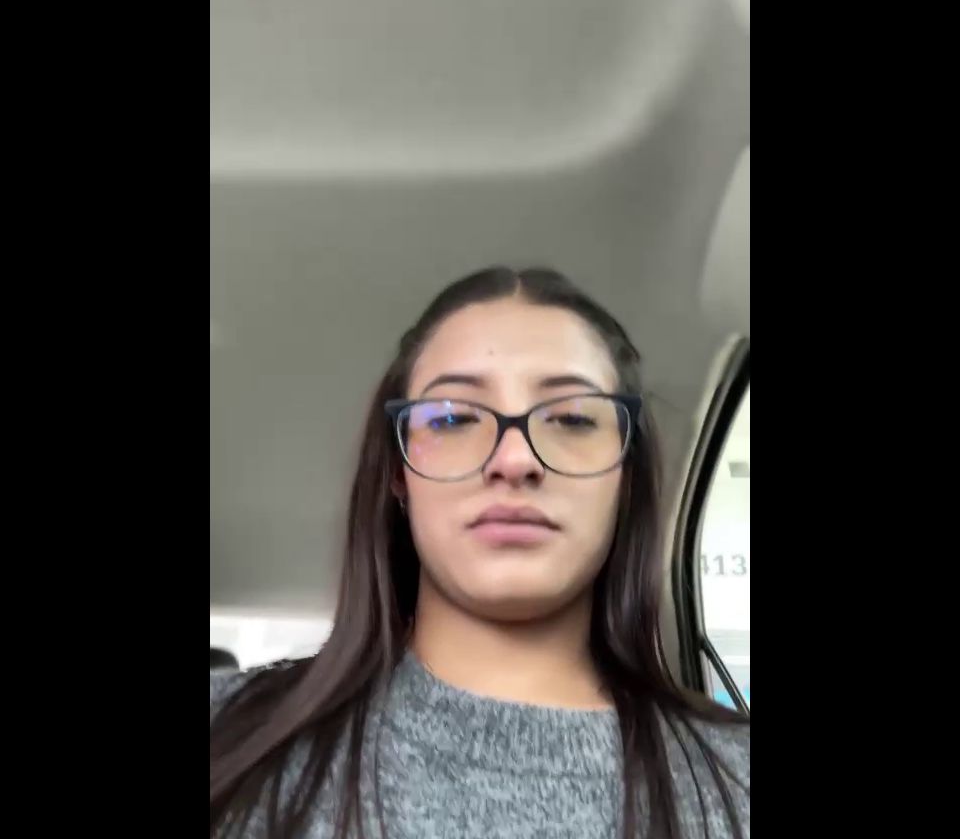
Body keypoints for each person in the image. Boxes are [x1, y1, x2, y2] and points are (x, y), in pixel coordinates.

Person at [211, 266, 749, 839]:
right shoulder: (228, 731)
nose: (514, 460)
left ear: (627, 474)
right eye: (452, 418)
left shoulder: (734, 777)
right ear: (398, 474)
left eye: (571, 418)